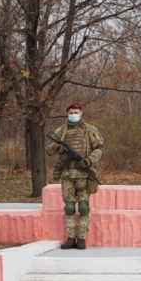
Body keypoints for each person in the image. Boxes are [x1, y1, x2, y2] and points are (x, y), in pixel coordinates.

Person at [46, 103, 104, 250]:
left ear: (81, 113)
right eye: (71, 112)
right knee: (69, 207)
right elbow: (49, 148)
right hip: (67, 175)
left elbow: (100, 148)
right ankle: (71, 238)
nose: (73, 115)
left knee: (84, 207)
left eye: (76, 112)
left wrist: (89, 160)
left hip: (83, 175)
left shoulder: (90, 130)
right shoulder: (61, 131)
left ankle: (82, 239)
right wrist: (57, 147)